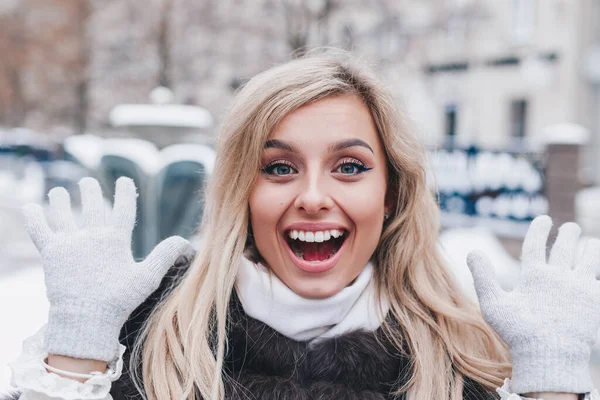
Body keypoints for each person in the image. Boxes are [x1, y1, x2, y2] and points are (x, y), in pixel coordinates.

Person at [3, 50, 600, 400]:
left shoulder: (457, 367)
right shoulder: (153, 347)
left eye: (349, 167)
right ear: (242, 191)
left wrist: (552, 384)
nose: (313, 197)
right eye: (280, 167)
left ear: (390, 194)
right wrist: (75, 356)